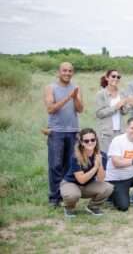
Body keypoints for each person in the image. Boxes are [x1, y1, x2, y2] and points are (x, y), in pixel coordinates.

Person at [44, 62, 84, 207]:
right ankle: (54, 198)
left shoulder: (76, 88)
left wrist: (75, 98)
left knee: (69, 166)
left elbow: (80, 110)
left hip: (73, 131)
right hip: (56, 132)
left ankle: (67, 196)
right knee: (55, 165)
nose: (67, 73)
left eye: (70, 71)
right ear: (58, 72)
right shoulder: (51, 88)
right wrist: (68, 97)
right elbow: (50, 109)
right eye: (64, 70)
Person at [60, 128, 113, 217]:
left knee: (108, 187)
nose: (90, 143)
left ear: (96, 140)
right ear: (81, 142)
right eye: (86, 141)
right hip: (71, 183)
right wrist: (95, 167)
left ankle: (93, 207)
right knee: (73, 195)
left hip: (88, 185)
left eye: (93, 140)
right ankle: (69, 207)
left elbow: (101, 179)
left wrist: (99, 165)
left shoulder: (102, 155)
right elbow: (81, 180)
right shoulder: (76, 156)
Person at [95, 69, 129, 158]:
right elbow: (99, 113)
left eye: (118, 77)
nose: (116, 78)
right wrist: (115, 107)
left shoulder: (122, 93)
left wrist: (124, 106)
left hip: (120, 131)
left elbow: (125, 112)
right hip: (106, 133)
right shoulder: (101, 94)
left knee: (119, 157)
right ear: (107, 78)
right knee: (106, 158)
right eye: (113, 76)